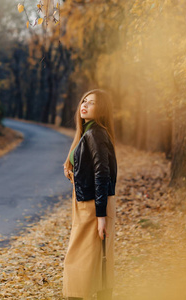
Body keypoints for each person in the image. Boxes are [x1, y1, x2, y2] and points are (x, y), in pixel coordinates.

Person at [62, 89, 117, 300]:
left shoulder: (95, 134)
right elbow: (91, 169)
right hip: (87, 203)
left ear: (101, 109)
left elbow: (102, 175)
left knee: (79, 259)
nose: (84, 105)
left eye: (92, 103)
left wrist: (101, 216)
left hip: (94, 205)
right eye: (84, 101)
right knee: (96, 259)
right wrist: (71, 172)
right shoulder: (88, 133)